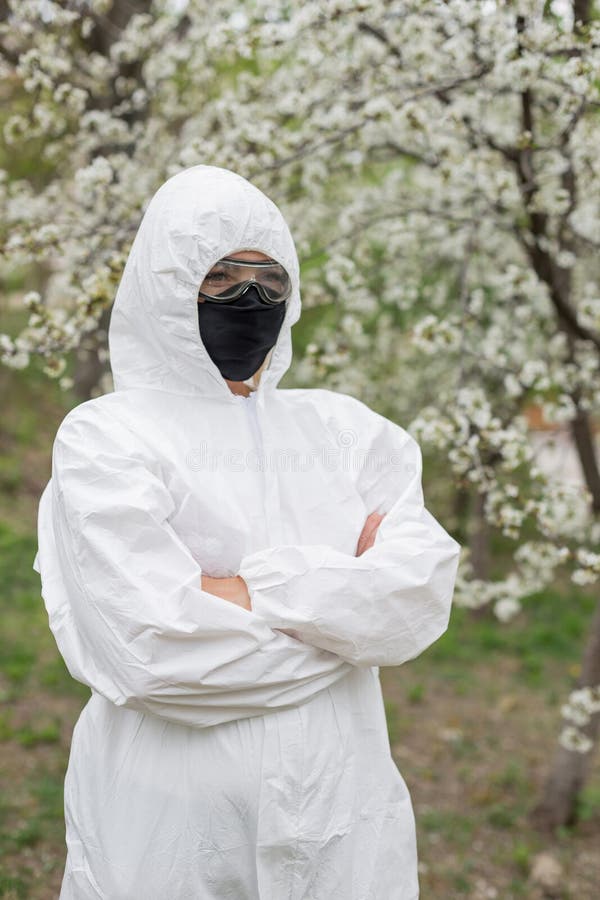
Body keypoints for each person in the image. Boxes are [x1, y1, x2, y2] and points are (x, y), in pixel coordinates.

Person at [33, 164, 461, 899]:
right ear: (165, 287)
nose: (249, 297)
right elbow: (153, 650)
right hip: (170, 833)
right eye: (220, 277)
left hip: (340, 811)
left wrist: (234, 591)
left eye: (270, 278)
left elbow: (414, 605)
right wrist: (342, 618)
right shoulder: (106, 437)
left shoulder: (350, 433)